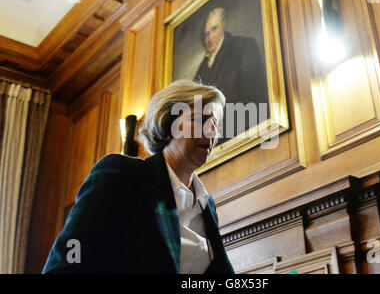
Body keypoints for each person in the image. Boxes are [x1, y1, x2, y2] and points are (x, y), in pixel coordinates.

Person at [42, 80, 235, 274]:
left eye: (215, 124)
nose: (211, 131)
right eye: (201, 120)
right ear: (168, 123)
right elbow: (68, 260)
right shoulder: (123, 175)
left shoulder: (207, 205)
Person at [195, 8, 269, 143]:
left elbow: (256, 97)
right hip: (216, 142)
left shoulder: (244, 46)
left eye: (214, 29)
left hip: (248, 135)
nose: (209, 38)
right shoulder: (202, 69)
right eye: (206, 34)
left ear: (223, 25)